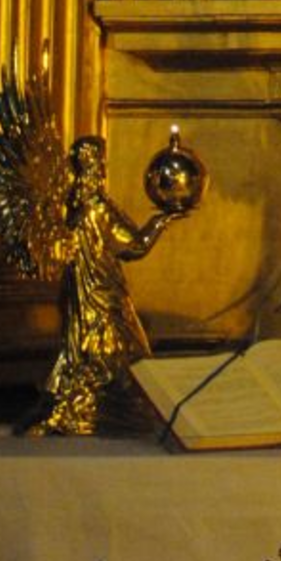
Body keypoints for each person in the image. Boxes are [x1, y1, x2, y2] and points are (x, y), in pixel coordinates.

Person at [33, 135, 186, 434]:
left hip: (78, 290)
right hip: (101, 292)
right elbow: (134, 246)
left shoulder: (73, 206)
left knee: (85, 345)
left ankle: (84, 401)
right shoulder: (97, 207)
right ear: (94, 166)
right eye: (101, 162)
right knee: (123, 346)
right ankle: (107, 407)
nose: (104, 168)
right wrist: (162, 218)